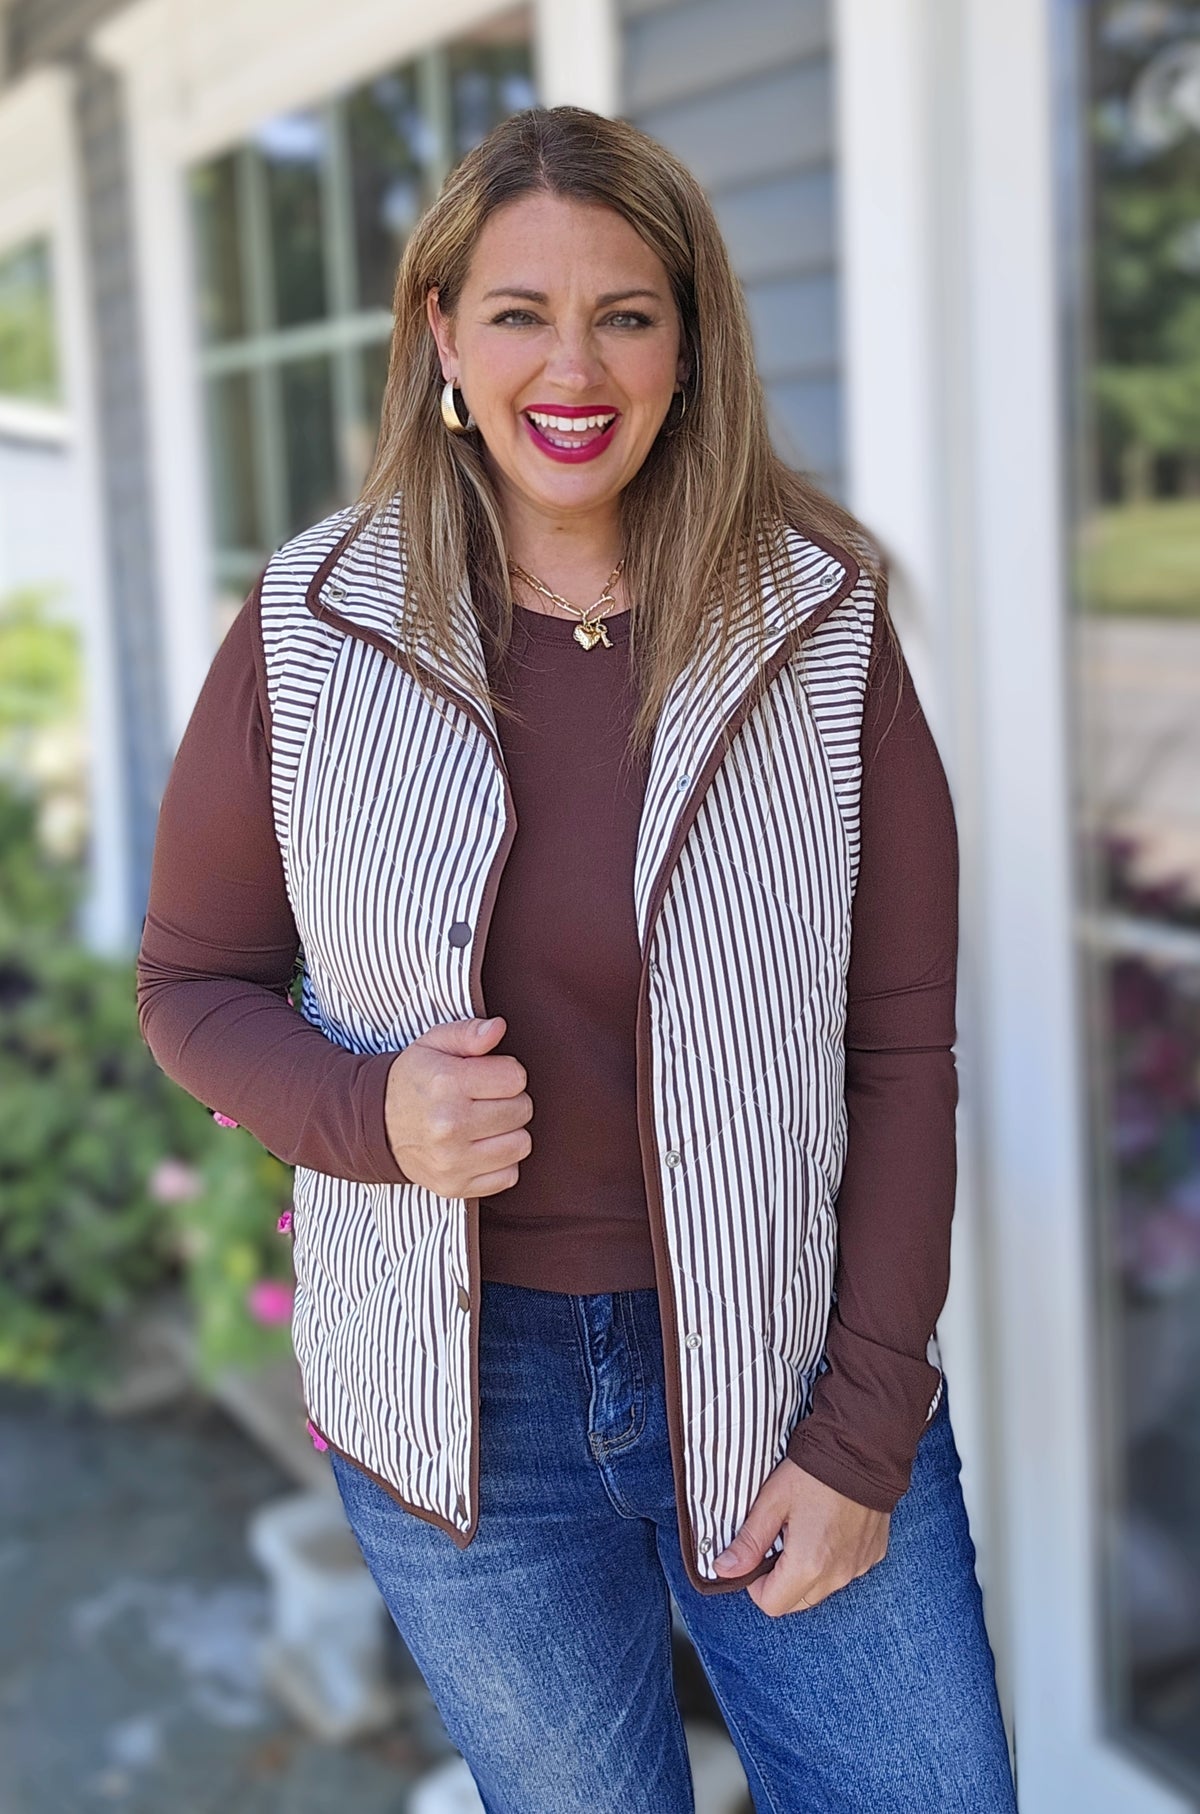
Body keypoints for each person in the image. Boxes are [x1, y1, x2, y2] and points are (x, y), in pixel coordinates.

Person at [137, 105, 1019, 1813]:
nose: (576, 364)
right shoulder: (314, 626)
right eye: (521, 311)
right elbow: (193, 985)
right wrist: (369, 1113)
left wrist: (865, 1427)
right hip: (463, 1412)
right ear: (442, 336)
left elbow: (901, 1050)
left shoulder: (821, 626)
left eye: (625, 311)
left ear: (689, 346)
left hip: (787, 1367)